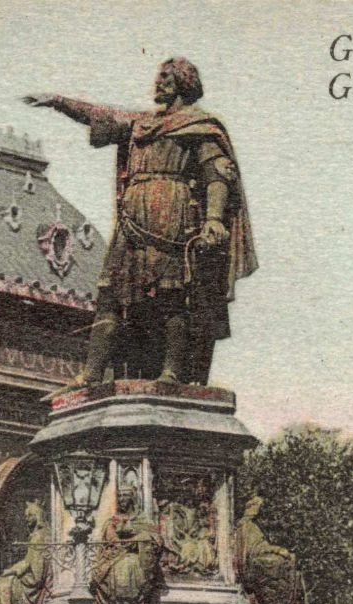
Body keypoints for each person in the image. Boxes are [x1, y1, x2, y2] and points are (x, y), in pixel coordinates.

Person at [26, 57, 256, 387]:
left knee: (171, 295)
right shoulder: (140, 124)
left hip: (172, 215)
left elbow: (217, 174)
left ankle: (171, 371)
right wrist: (60, 103)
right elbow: (97, 115)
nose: (158, 82)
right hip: (132, 221)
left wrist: (215, 219)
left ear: (184, 83)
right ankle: (91, 374)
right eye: (158, 76)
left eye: (167, 78)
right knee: (111, 294)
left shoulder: (199, 124)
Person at [0, 503, 51, 604]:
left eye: (29, 516)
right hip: (29, 572)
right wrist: (11, 571)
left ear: (37, 516)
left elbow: (35, 570)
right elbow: (28, 561)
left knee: (1, 584)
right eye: (26, 516)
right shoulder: (36, 536)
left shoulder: (38, 537)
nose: (27, 519)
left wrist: (12, 572)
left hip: (33, 578)